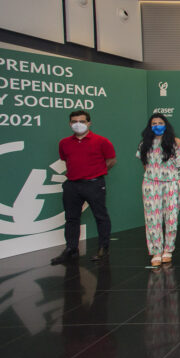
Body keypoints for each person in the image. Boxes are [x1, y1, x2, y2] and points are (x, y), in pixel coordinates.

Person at [51, 110, 116, 265]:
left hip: (94, 184)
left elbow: (111, 160)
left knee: (101, 216)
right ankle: (71, 249)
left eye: (82, 121)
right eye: (74, 121)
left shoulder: (101, 141)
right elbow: (66, 159)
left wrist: (96, 172)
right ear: (70, 124)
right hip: (72, 185)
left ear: (89, 123)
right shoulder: (64, 143)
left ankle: (103, 248)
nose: (78, 124)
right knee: (71, 218)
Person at [138, 113, 180, 267]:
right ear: (150, 126)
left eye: (160, 123)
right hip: (151, 184)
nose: (157, 125)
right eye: (154, 123)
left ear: (166, 125)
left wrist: (174, 179)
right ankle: (156, 251)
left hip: (171, 183)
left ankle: (168, 250)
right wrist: (154, 176)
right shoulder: (144, 144)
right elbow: (144, 164)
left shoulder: (176, 142)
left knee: (171, 218)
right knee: (152, 219)